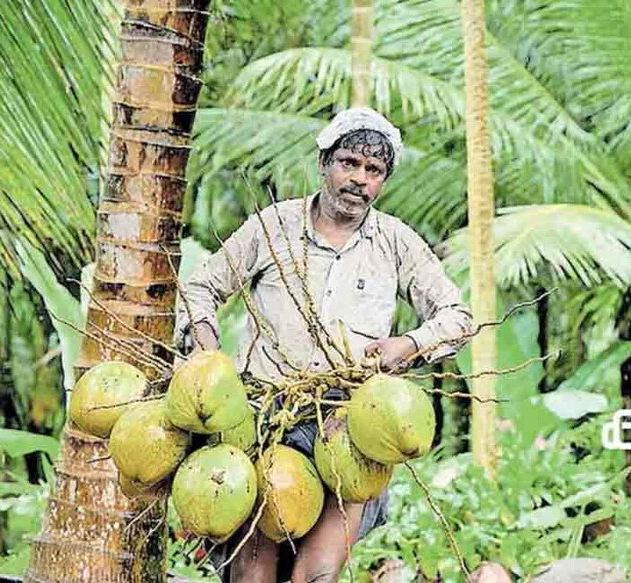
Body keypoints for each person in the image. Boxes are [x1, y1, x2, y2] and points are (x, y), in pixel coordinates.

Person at [175, 107, 473, 582]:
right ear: (324, 163)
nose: (358, 179)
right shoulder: (274, 227)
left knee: (316, 574)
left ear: (383, 181)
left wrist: (410, 343)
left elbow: (458, 319)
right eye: (349, 163)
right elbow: (200, 289)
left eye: (373, 171)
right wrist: (206, 352)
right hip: (266, 421)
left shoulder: (396, 243)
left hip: (349, 429)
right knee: (252, 574)